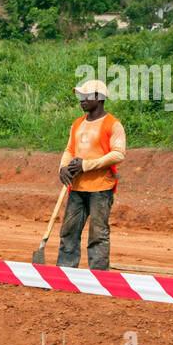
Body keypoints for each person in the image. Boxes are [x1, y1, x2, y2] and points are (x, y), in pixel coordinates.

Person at [56, 79, 126, 270]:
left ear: (99, 98)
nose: (81, 100)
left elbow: (118, 154)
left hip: (101, 188)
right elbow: (69, 149)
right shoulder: (77, 124)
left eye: (86, 96)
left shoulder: (113, 124)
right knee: (69, 231)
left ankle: (99, 276)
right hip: (77, 187)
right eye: (80, 96)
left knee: (98, 234)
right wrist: (62, 167)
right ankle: (65, 271)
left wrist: (86, 165)